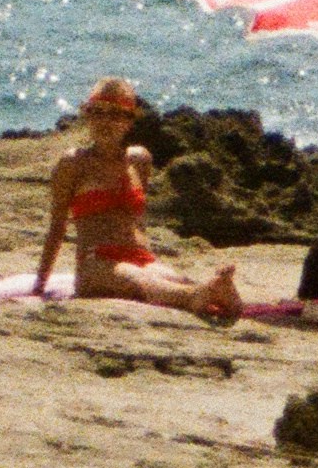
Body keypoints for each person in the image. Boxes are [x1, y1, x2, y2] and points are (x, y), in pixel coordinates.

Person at [36, 79, 244, 321]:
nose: (106, 121)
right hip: (98, 261)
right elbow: (57, 228)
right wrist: (40, 283)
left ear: (130, 121)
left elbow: (135, 220)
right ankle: (198, 296)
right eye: (97, 112)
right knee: (144, 283)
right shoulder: (73, 163)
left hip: (140, 257)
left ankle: (217, 293)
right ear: (87, 115)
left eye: (116, 114)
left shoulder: (140, 159)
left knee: (178, 281)